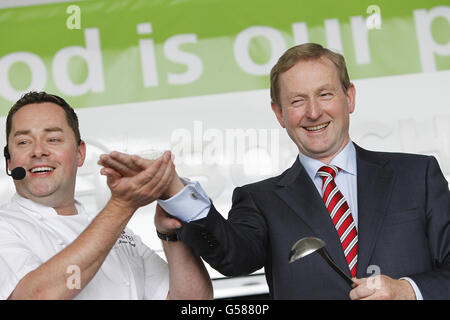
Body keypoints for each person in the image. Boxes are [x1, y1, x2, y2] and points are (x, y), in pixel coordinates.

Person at [100, 43, 450, 299]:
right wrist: (175, 189)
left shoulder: (417, 175)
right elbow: (234, 257)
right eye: (297, 101)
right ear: (280, 114)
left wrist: (408, 290)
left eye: (325, 94)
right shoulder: (261, 200)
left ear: (350, 98)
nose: (313, 112)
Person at [0, 91, 212, 300]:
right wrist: (122, 206)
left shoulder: (116, 232)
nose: (38, 151)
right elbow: (37, 296)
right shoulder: (5, 227)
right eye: (23, 142)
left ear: (80, 153)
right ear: (10, 161)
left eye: (53, 139)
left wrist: (171, 235)